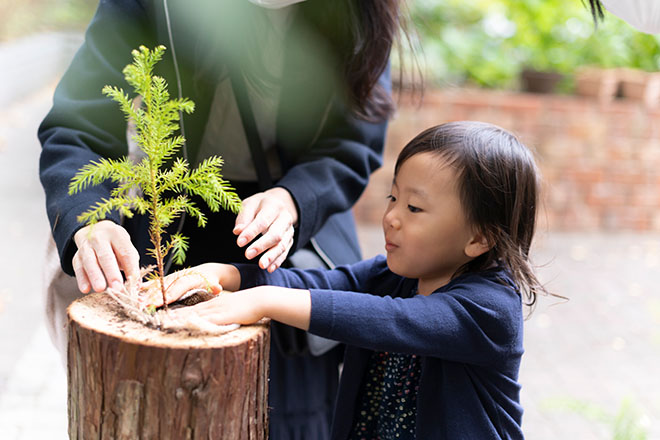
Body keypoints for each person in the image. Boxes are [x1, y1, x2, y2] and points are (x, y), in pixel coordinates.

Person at [38, 1, 411, 438]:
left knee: (286, 414)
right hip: (171, 231)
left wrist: (294, 200)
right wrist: (90, 221)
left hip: (288, 242)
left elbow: (352, 146)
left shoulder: (359, 12)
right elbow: (78, 123)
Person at [154, 121, 545, 439]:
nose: (391, 216)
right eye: (393, 199)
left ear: (479, 238)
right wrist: (228, 274)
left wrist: (265, 301)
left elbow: (394, 320)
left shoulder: (490, 308)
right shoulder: (392, 276)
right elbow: (320, 285)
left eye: (414, 207)